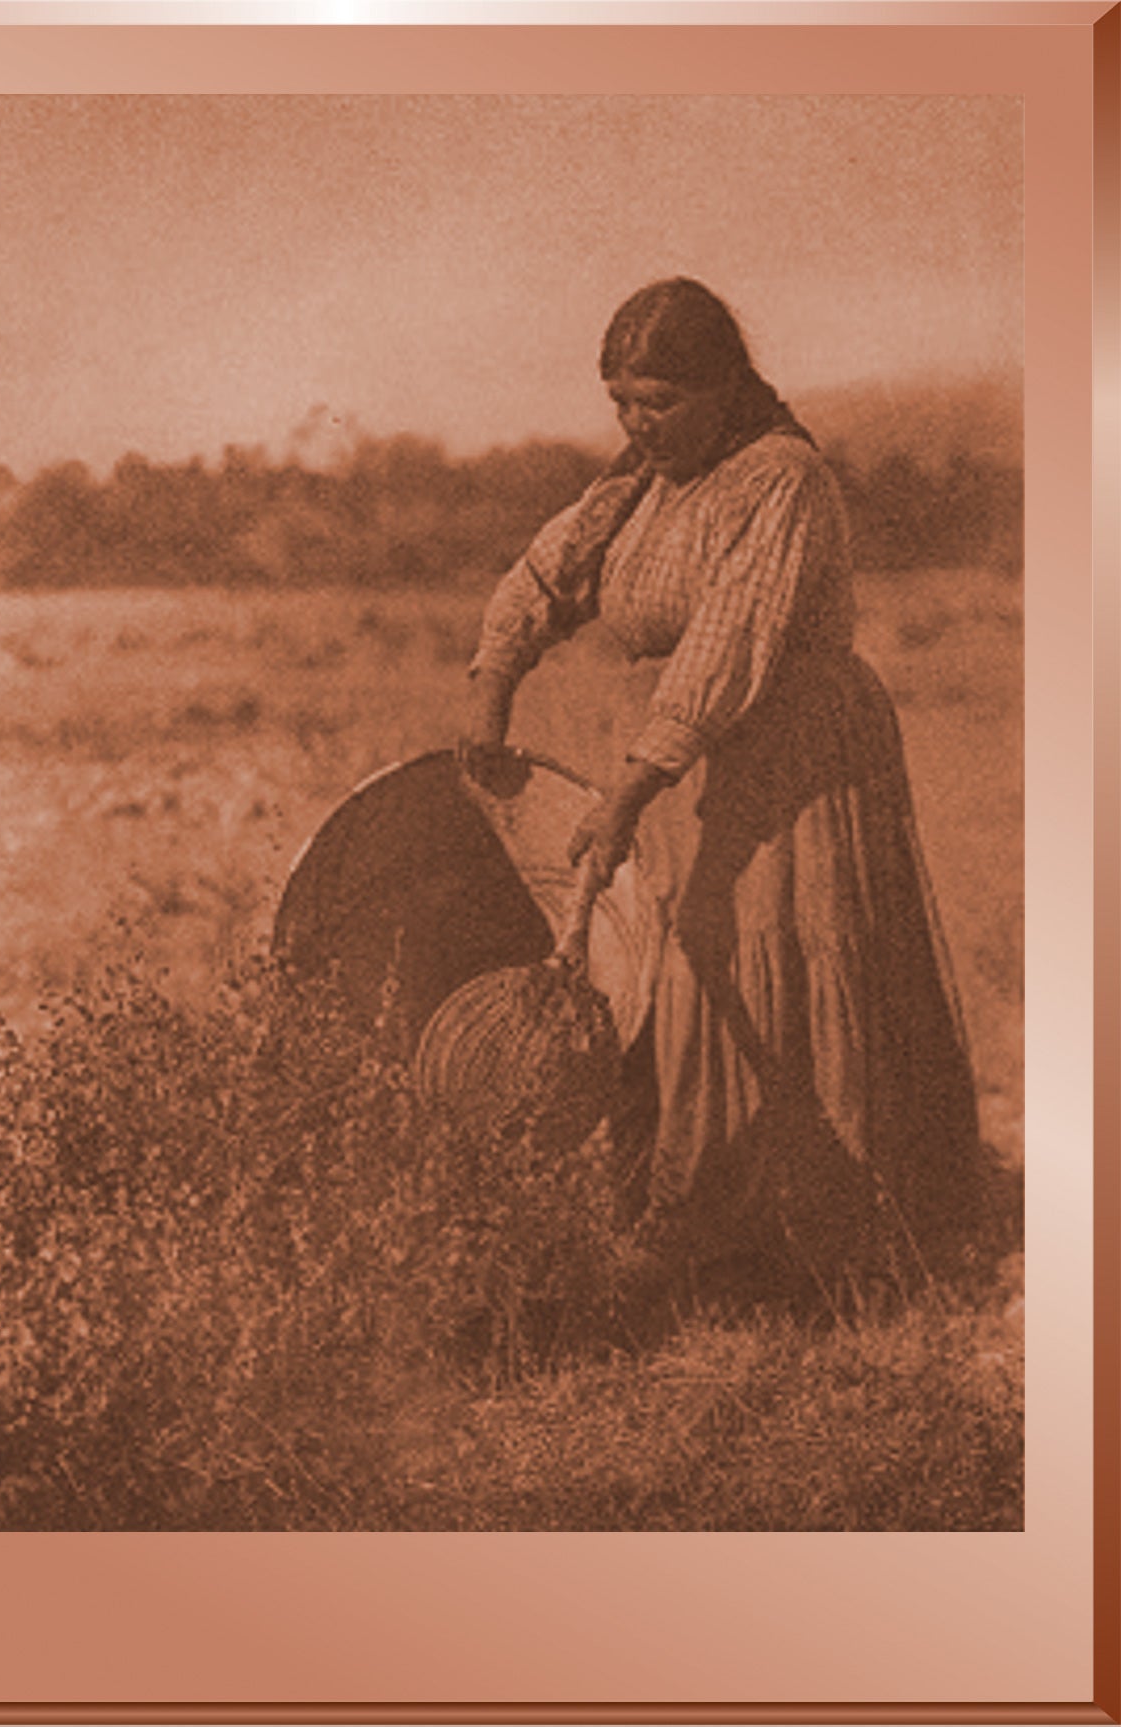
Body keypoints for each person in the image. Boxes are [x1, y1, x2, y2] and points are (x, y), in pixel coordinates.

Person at [460, 276, 983, 1306]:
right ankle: (702, 1216)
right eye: (621, 402)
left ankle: (812, 1234)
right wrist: (491, 682)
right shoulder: (638, 487)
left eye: (659, 401)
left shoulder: (782, 478)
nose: (638, 423)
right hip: (687, 755)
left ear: (724, 386)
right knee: (683, 966)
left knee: (771, 957)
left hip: (786, 754)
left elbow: (726, 644)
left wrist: (632, 788)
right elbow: (546, 574)